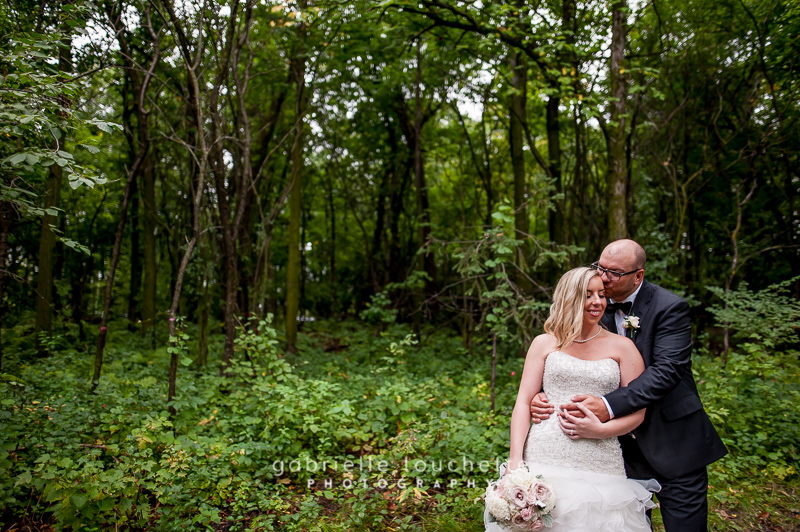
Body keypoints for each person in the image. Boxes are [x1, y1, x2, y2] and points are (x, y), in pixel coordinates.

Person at [530, 239, 728, 532]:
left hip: (672, 440)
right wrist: (545, 395)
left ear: (638, 276)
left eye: (614, 273)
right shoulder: (594, 304)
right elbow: (572, 356)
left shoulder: (670, 307)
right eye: (600, 267)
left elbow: (667, 371)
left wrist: (609, 405)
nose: (604, 277)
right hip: (614, 451)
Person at [486, 267, 658, 531]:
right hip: (544, 454)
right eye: (587, 295)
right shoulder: (544, 343)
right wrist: (515, 461)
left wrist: (600, 430)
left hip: (601, 459)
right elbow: (522, 403)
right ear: (570, 297)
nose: (597, 302)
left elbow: (638, 412)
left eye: (601, 294)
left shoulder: (623, 347)